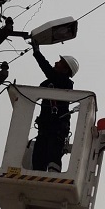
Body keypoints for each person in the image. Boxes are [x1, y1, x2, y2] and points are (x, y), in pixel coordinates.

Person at [30, 40, 79, 172]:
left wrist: (37, 53)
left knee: (53, 157)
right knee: (37, 158)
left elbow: (48, 71)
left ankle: (53, 177)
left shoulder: (66, 83)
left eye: (60, 63)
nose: (56, 63)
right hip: (45, 128)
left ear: (66, 69)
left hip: (57, 129)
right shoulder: (49, 82)